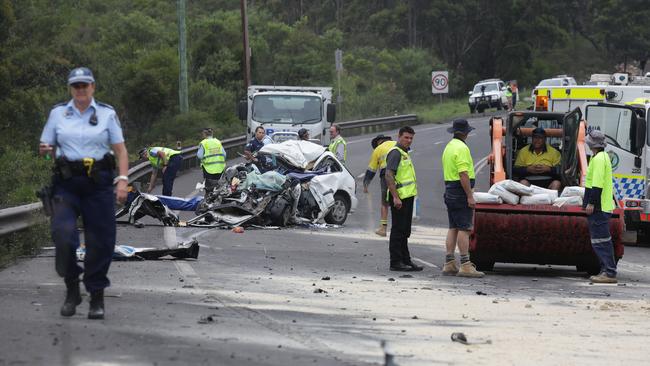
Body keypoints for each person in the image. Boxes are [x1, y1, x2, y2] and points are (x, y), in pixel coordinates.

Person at [39, 66, 129, 319]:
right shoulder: (58, 114)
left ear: (92, 87)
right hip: (66, 184)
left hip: (98, 183)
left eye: (84, 85)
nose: (80, 90)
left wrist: (122, 180)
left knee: (101, 241)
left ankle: (96, 296)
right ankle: (72, 288)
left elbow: (121, 151)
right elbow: (46, 147)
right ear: (70, 88)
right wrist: (46, 152)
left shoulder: (106, 114)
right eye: (76, 86)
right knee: (62, 234)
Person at [441, 119, 484, 277]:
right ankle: (465, 264)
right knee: (465, 229)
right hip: (460, 191)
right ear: (466, 132)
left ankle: (449, 262)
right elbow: (463, 173)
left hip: (450, 189)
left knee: (453, 227)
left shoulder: (449, 147)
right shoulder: (462, 148)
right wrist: (470, 195)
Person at [385, 126, 422, 272]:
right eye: (406, 137)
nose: (409, 140)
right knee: (398, 230)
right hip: (399, 198)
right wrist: (395, 197)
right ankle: (395, 262)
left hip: (407, 197)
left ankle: (406, 260)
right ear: (399, 136)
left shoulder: (404, 153)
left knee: (405, 230)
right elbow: (389, 175)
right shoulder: (395, 153)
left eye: (411, 138)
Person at [583, 130, 617, 283]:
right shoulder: (602, 157)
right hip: (603, 205)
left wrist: (591, 203)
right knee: (602, 240)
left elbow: (597, 185)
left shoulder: (598, 159)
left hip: (599, 207)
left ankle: (609, 272)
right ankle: (606, 271)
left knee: (601, 241)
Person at [363, 134, 396, 236]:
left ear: (378, 141)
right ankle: (398, 227)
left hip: (386, 175)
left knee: (385, 203)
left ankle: (383, 228)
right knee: (398, 200)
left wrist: (365, 185)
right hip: (402, 174)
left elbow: (371, 170)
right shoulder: (397, 144)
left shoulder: (378, 149)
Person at [197, 128, 226, 193]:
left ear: (204, 134)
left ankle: (209, 200)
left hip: (208, 169)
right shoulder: (218, 142)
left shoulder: (204, 143)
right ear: (212, 134)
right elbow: (224, 154)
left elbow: (200, 156)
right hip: (219, 167)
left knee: (209, 187)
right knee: (218, 185)